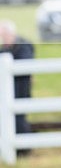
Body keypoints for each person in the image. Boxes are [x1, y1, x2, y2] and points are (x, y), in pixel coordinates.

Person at [0, 20, 34, 155]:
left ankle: (24, 149)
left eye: (4, 35)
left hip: (21, 88)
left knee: (19, 118)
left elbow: (25, 66)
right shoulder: (6, 48)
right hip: (11, 89)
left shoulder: (23, 46)